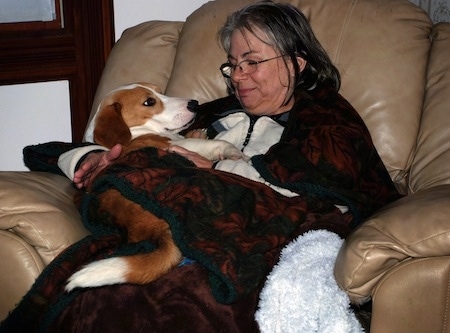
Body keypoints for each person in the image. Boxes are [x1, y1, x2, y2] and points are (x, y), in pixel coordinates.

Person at [8, 2, 400, 332]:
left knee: (174, 305)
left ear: (296, 64)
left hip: (243, 241)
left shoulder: (326, 119)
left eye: (252, 61)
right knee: (95, 303)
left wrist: (209, 173)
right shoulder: (208, 115)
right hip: (162, 228)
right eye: (232, 64)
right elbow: (60, 149)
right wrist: (93, 157)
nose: (238, 76)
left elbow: (327, 182)